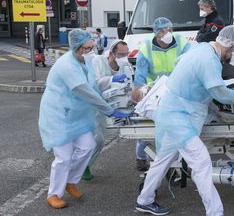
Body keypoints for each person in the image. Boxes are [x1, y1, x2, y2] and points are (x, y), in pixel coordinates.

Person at [135, 26, 234, 216]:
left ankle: (144, 201)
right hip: (178, 116)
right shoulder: (208, 60)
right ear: (229, 45)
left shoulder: (201, 49)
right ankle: (215, 212)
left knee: (164, 159)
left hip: (174, 112)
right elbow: (223, 95)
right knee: (202, 162)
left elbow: (188, 73)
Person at [38, 29, 130, 209]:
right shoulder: (67, 66)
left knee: (88, 145)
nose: (90, 51)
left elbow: (93, 84)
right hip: (59, 116)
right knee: (63, 157)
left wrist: (111, 81)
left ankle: (70, 181)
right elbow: (85, 91)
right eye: (86, 48)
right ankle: (54, 193)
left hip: (77, 115)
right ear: (77, 47)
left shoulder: (83, 61)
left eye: (91, 47)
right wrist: (109, 110)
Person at [133, 17, 191, 171]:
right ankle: (141, 157)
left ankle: (174, 159)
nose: (168, 33)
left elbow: (191, 64)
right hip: (155, 91)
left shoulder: (182, 42)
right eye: (163, 31)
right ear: (156, 33)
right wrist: (140, 94)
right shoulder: (146, 48)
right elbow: (140, 75)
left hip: (177, 89)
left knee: (176, 124)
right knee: (147, 127)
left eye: (170, 30)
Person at [82, 39, 134, 180]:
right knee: (95, 139)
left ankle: (84, 165)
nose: (124, 57)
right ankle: (80, 168)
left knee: (99, 140)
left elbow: (129, 87)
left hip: (109, 106)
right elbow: (95, 83)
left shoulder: (124, 66)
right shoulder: (99, 61)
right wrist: (112, 80)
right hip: (92, 105)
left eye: (126, 53)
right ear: (112, 53)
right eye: (121, 54)